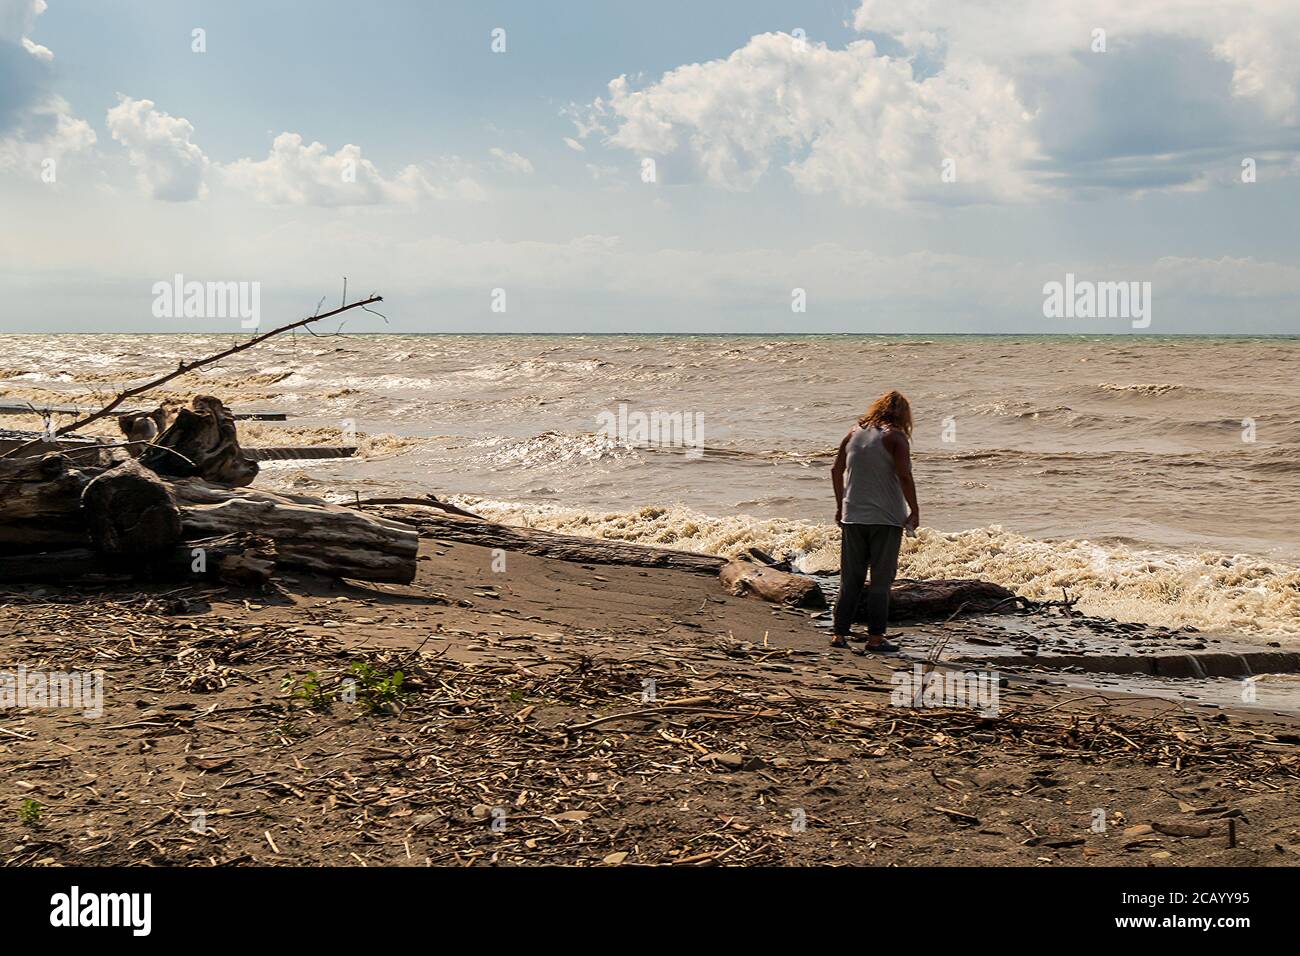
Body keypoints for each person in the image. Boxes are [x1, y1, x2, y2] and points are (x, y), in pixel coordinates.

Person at [829, 390, 920, 651]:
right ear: (904, 414)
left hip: (853, 515)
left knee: (851, 579)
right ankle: (875, 638)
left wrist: (840, 504)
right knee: (881, 581)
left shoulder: (854, 432)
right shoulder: (896, 437)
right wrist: (914, 509)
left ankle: (839, 634)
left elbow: (836, 470)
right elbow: (904, 476)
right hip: (886, 518)